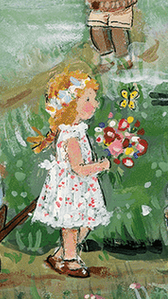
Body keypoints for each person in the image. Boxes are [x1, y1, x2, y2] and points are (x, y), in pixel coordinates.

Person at [29, 66, 111, 278]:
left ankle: (60, 254)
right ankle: (70, 260)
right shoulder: (71, 136)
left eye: (93, 99)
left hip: (81, 188)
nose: (95, 104)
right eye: (88, 99)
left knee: (86, 223)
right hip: (72, 189)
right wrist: (101, 166)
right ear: (71, 106)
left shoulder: (76, 130)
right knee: (72, 226)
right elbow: (78, 168)